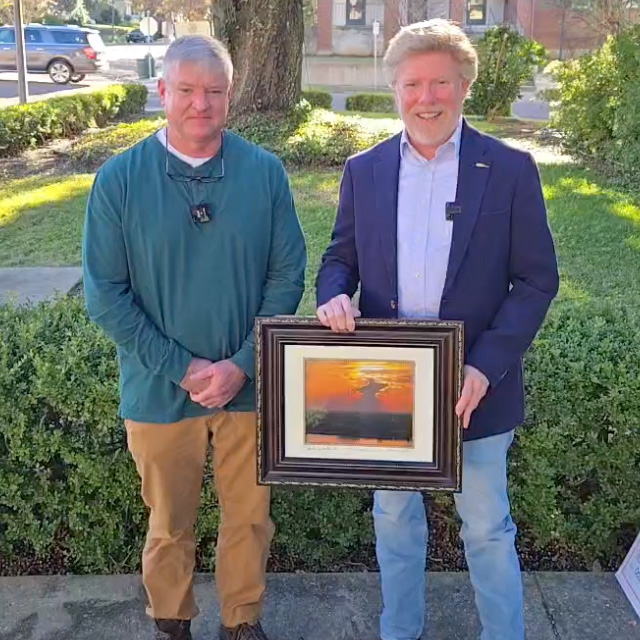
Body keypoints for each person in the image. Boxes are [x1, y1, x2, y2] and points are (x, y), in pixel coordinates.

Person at [315, 19, 559, 640]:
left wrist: (485, 365)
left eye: (441, 83)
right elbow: (339, 257)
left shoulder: (509, 169)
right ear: (395, 89)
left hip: (476, 386)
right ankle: (401, 631)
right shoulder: (363, 170)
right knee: (393, 516)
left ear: (464, 87)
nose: (427, 98)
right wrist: (333, 294)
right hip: (389, 385)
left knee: (484, 525)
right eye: (413, 84)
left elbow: (536, 281)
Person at [82, 35, 306, 640]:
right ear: (163, 92)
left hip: (247, 387)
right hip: (158, 391)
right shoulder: (119, 180)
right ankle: (171, 621)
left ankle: (242, 621)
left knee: (249, 519)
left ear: (230, 96)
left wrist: (242, 363)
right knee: (168, 522)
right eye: (186, 91)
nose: (199, 105)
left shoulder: (264, 172)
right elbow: (104, 294)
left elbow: (287, 276)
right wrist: (181, 368)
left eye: (213, 92)